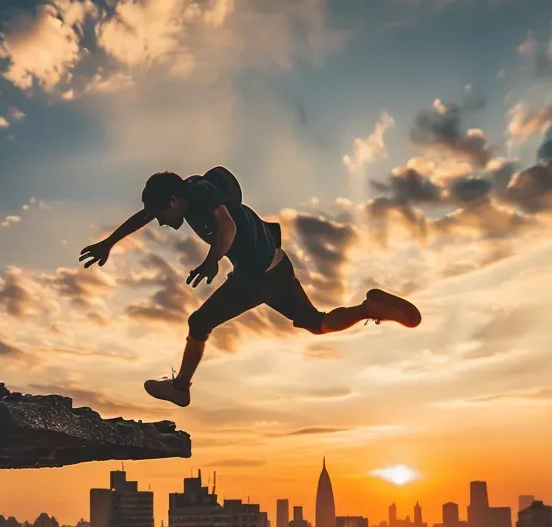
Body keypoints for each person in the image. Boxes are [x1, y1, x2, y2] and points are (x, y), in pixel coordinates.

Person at [79, 169, 421, 407]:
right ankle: (369, 309)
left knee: (199, 323)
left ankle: (180, 389)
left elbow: (226, 224)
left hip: (256, 277)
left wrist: (213, 260)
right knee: (317, 323)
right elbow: (144, 216)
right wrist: (109, 242)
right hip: (277, 266)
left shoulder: (198, 196)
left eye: (160, 216)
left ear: (172, 201)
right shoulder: (192, 190)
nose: (162, 225)